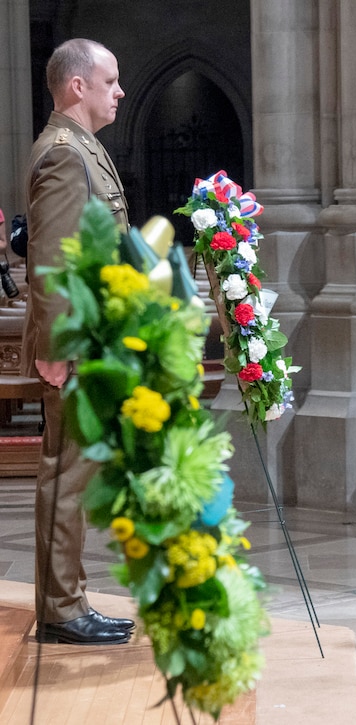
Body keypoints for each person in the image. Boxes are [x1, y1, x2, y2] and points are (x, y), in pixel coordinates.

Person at [23, 38, 134, 645]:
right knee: (65, 475)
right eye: (110, 81)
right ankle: (62, 610)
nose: (120, 92)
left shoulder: (85, 150)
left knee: (75, 475)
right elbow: (55, 258)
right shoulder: (65, 155)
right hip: (76, 343)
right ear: (77, 87)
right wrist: (57, 346)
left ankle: (70, 598)